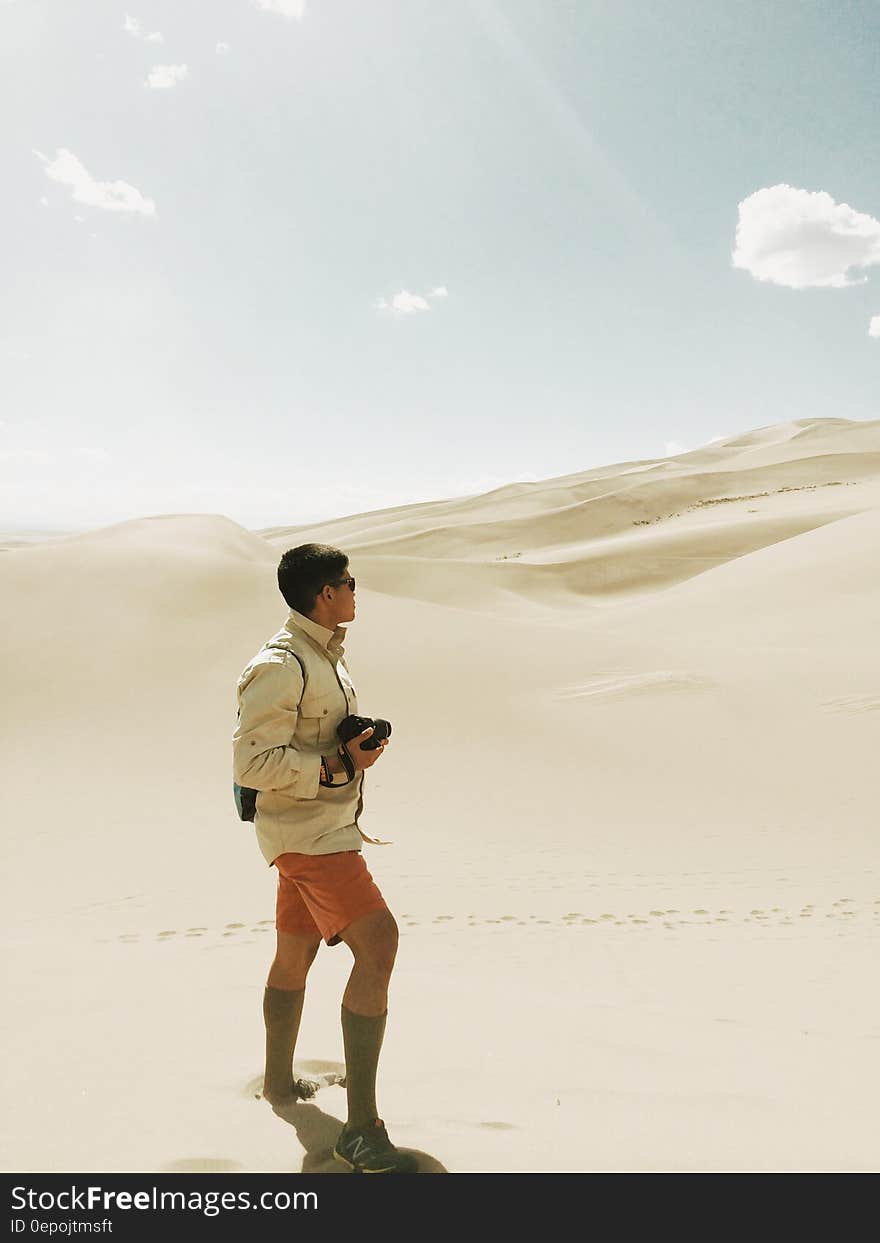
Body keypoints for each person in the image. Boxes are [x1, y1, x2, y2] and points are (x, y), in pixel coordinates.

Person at [232, 543, 416, 1174]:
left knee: (294, 951)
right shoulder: (281, 665)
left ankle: (280, 1085)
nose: (355, 591)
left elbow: (299, 739)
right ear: (324, 594)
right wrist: (340, 764)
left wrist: (348, 742)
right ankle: (360, 1131)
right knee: (380, 943)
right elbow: (251, 764)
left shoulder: (323, 656)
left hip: (317, 827)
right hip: (310, 836)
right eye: (348, 582)